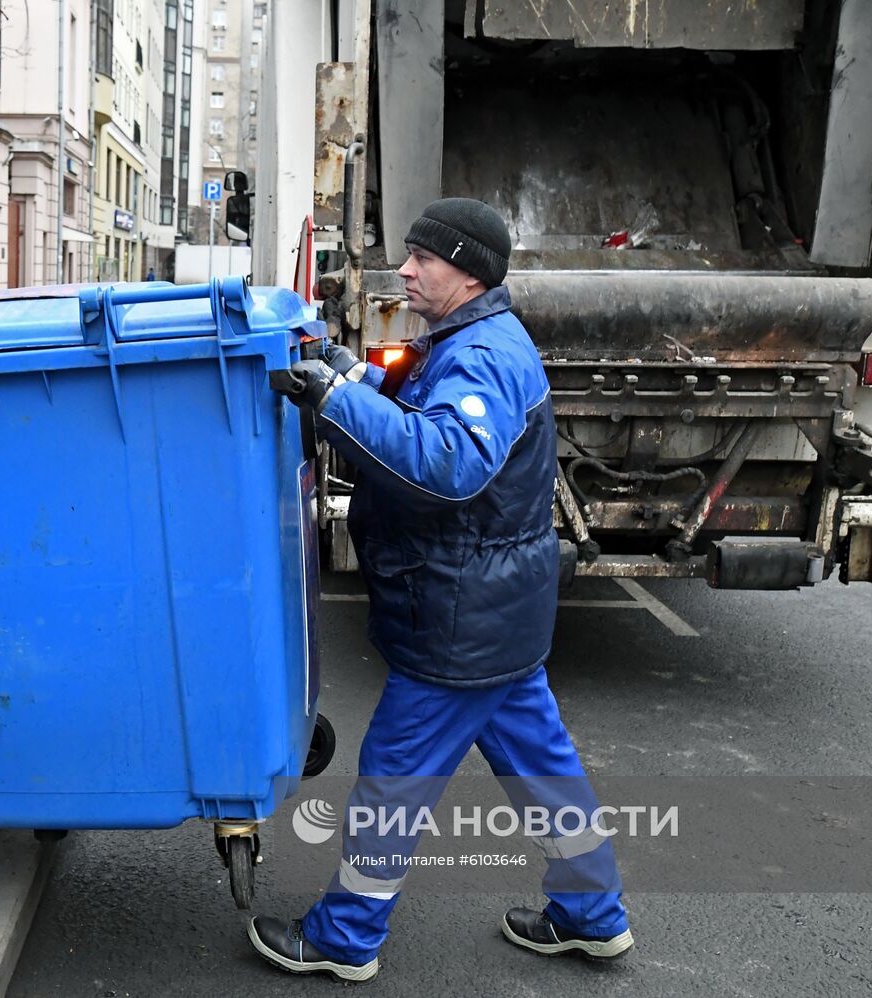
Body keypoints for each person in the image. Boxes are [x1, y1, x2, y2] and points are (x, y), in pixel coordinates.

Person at [253, 198, 632, 981]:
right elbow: (433, 425)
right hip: (498, 607)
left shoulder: (484, 356)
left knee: (396, 773)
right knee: (542, 765)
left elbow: (452, 465)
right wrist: (357, 381)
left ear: (467, 272)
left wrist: (334, 399)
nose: (407, 268)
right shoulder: (472, 338)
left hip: (461, 617)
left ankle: (344, 938)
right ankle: (594, 915)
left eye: (424, 257)